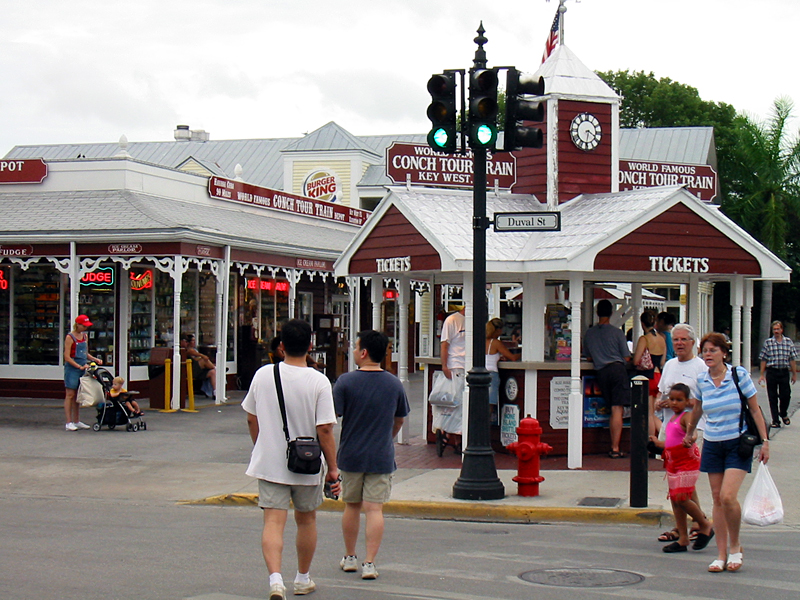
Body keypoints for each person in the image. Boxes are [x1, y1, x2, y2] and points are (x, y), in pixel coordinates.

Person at [242, 319, 341, 599]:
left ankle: (275, 580)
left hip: (270, 463)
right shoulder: (319, 381)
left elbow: (252, 417)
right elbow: (325, 429)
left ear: (281, 346)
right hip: (307, 464)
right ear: (310, 346)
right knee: (306, 520)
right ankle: (302, 578)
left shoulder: (263, 375)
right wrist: (332, 468)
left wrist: (262, 445)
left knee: (273, 522)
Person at [683, 332, 770, 574]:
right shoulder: (702, 380)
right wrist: (690, 433)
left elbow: (754, 410)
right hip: (713, 443)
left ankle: (736, 547)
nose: (707, 355)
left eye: (712, 350)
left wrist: (765, 442)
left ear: (724, 353)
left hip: (737, 442)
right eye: (705, 351)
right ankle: (720, 555)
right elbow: (698, 409)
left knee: (728, 496)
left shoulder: (738, 375)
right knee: (717, 498)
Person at [334, 330, 410, 581]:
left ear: (364, 352)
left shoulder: (345, 382)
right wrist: (387, 436)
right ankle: (370, 562)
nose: (353, 351)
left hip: (351, 454)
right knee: (374, 509)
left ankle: (350, 556)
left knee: (351, 506)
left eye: (355, 347)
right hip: (380, 455)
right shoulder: (393, 383)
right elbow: (400, 418)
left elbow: (333, 416)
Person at [654, 323, 709, 543]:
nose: (679, 343)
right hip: (669, 429)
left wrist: (682, 403)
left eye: (684, 339)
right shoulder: (668, 365)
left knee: (685, 482)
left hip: (692, 431)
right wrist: (661, 404)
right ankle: (690, 525)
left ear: (693, 343)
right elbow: (660, 395)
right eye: (676, 339)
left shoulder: (701, 367)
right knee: (675, 482)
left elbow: (705, 401)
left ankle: (697, 523)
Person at [649, 383, 714, 553]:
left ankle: (704, 524)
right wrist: (657, 443)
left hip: (687, 462)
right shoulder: (671, 420)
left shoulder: (686, 416)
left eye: (679, 400)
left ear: (687, 401)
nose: (674, 403)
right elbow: (671, 443)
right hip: (673, 462)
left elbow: (693, 432)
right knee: (675, 500)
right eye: (671, 399)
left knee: (682, 497)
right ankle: (683, 538)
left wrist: (691, 438)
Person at [583, 299, 631, 458]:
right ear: (611, 313)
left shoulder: (589, 333)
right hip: (617, 370)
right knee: (618, 409)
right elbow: (626, 356)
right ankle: (615, 448)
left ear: (597, 313)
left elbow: (588, 357)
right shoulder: (617, 332)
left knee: (610, 407)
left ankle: (613, 446)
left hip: (601, 372)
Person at [63, 314, 103, 431]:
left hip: (83, 366)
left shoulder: (85, 336)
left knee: (78, 395)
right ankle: (68, 422)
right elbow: (67, 356)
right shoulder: (70, 337)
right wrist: (78, 366)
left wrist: (94, 359)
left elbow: (85, 353)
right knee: (70, 394)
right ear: (78, 325)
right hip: (72, 368)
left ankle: (77, 420)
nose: (85, 328)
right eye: (84, 326)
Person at [435, 304, 466, 453]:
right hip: (456, 366)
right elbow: (444, 345)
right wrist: (444, 365)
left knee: (463, 405)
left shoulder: (474, 321)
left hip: (469, 367)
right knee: (456, 403)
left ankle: (455, 437)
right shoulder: (452, 320)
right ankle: (452, 436)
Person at [757, 320, 797, 428]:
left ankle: (783, 413)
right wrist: (761, 374)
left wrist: (794, 373)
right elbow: (763, 359)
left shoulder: (788, 342)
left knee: (786, 395)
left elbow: (792, 359)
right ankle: (775, 420)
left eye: (778, 329)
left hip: (783, 371)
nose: (776, 331)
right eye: (774, 329)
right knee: (772, 396)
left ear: (782, 330)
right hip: (772, 372)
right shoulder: (768, 343)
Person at [486, 317, 516, 423]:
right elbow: (512, 357)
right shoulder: (495, 342)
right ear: (497, 330)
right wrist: (524, 353)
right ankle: (486, 431)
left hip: (482, 373)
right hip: (491, 375)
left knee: (480, 405)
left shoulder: (482, 341)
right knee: (489, 406)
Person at [180, 333, 217, 397]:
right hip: (189, 371)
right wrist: (202, 356)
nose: (187, 343)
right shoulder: (182, 350)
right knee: (204, 360)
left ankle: (216, 393)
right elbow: (192, 353)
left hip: (197, 370)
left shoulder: (193, 349)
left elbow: (196, 358)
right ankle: (216, 368)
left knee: (213, 372)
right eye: (186, 341)